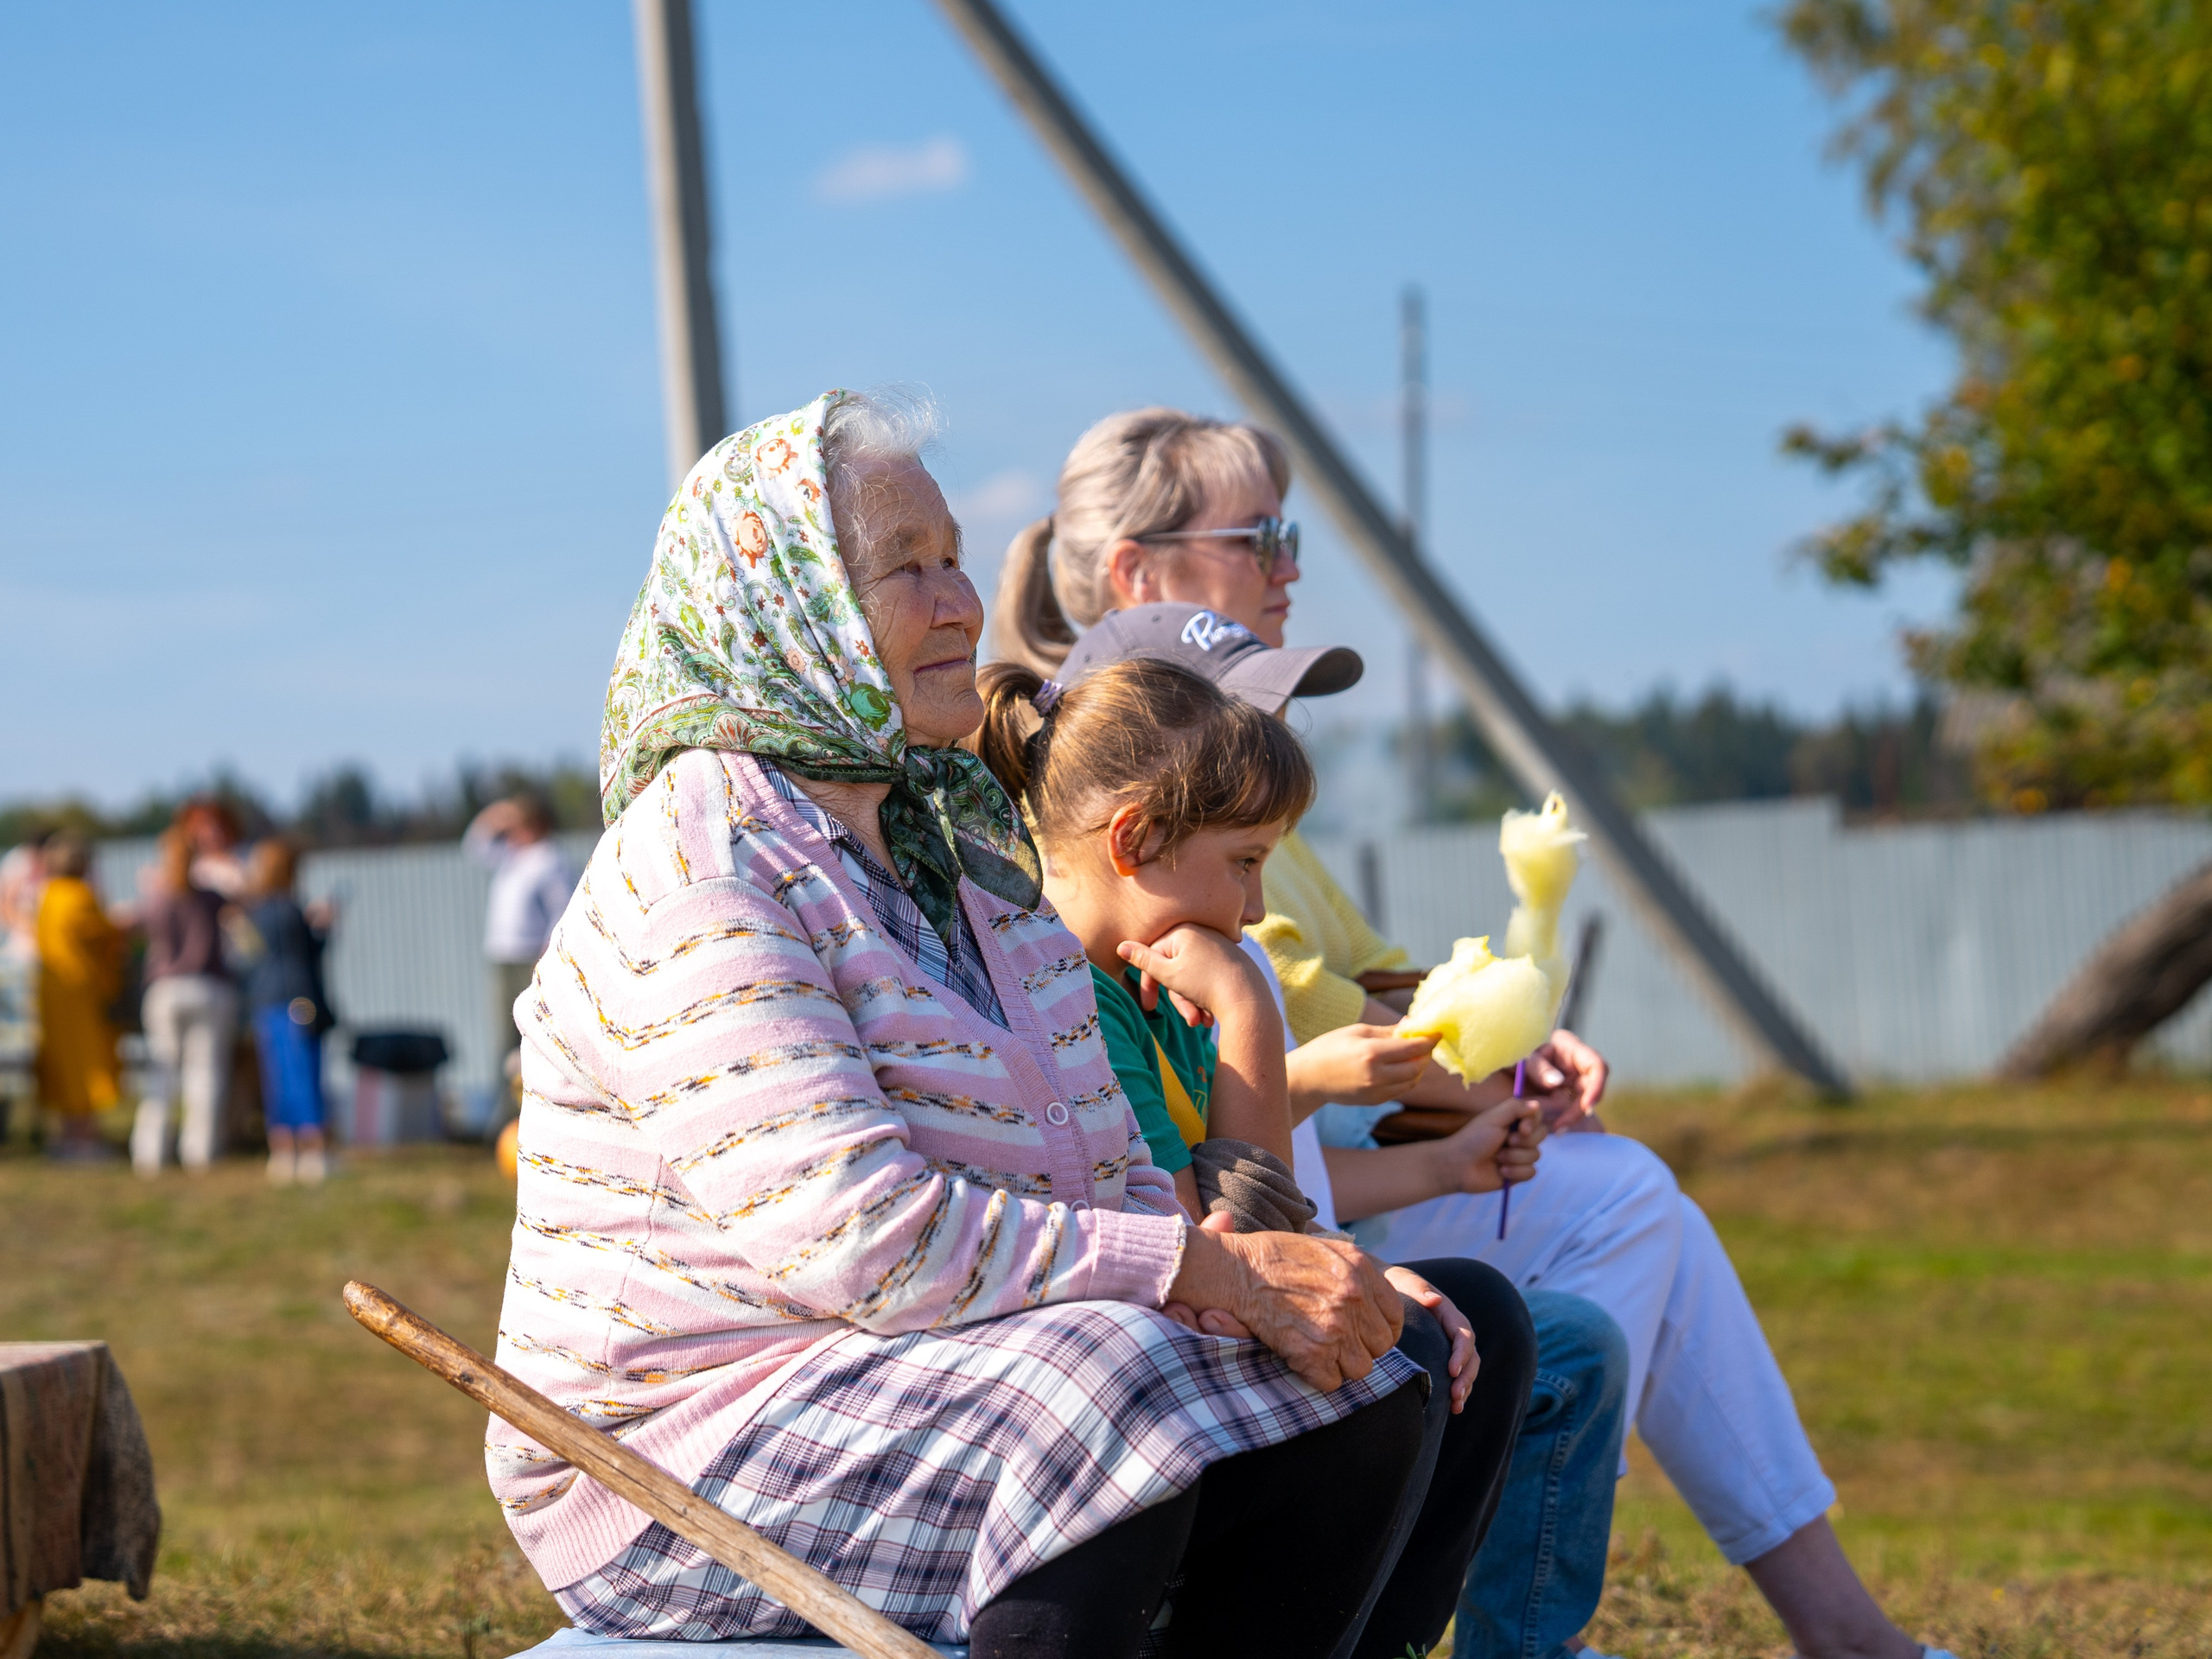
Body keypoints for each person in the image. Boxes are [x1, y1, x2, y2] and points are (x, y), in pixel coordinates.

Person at [995, 408, 1950, 1659]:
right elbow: (1239, 1205)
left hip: (1287, 1245)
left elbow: (1278, 1173)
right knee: (1574, 1269)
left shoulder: (1193, 930)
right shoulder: (1111, 980)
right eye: (1263, 535)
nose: (1258, 901)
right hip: (1182, 1330)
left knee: (1540, 1302)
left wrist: (1437, 1116)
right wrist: (1291, 1035)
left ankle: (1530, 1631)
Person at [497, 390, 1438, 1659]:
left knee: (1395, 1357)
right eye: (904, 570)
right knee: (1109, 1385)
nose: (958, 604)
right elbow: (871, 1242)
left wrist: (1286, 1273)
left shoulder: (953, 848)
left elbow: (1100, 1173)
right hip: (678, 1444)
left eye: (953, 561)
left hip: (914, 1372)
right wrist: (1209, 1275)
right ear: (782, 607)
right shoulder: (704, 870)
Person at [972, 650, 1543, 1659]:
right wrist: (1243, 1004)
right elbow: (1229, 1239)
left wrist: (1363, 1268)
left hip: (1199, 1312)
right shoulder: (1078, 998)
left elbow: (1274, 1231)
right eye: (1243, 860)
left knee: (1472, 1315)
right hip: (1123, 1371)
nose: (1252, 906)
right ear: (1136, 837)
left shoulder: (1161, 979)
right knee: (1395, 1352)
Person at [131, 824, 240, 1174]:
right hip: (210, 989)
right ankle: (201, 1152)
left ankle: (150, 1153)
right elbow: (244, 912)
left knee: (161, 1072)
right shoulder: (210, 896)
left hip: (165, 991)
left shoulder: (156, 898)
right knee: (205, 1073)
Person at [463, 793, 575, 1097]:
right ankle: (505, 1109)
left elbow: (561, 910)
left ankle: (537, 1101)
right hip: (502, 956)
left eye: (518, 824)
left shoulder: (551, 858)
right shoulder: (511, 856)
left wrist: (547, 953)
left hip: (531, 958)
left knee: (535, 1035)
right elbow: (475, 847)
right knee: (503, 1038)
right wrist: (496, 815)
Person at [236, 837, 334, 1185]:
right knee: (304, 1076)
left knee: (277, 1080)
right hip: (298, 1003)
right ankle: (314, 1153)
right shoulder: (289, 910)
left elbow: (248, 960)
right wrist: (321, 929)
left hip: (265, 1005)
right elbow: (304, 958)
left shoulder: (252, 912)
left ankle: (282, 1154)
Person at [34, 833, 124, 1160]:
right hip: (80, 995)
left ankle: (67, 1137)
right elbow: (104, 936)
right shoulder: (80, 896)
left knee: (63, 1067)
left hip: (52, 995)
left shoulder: (48, 895)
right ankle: (85, 1141)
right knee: (86, 1066)